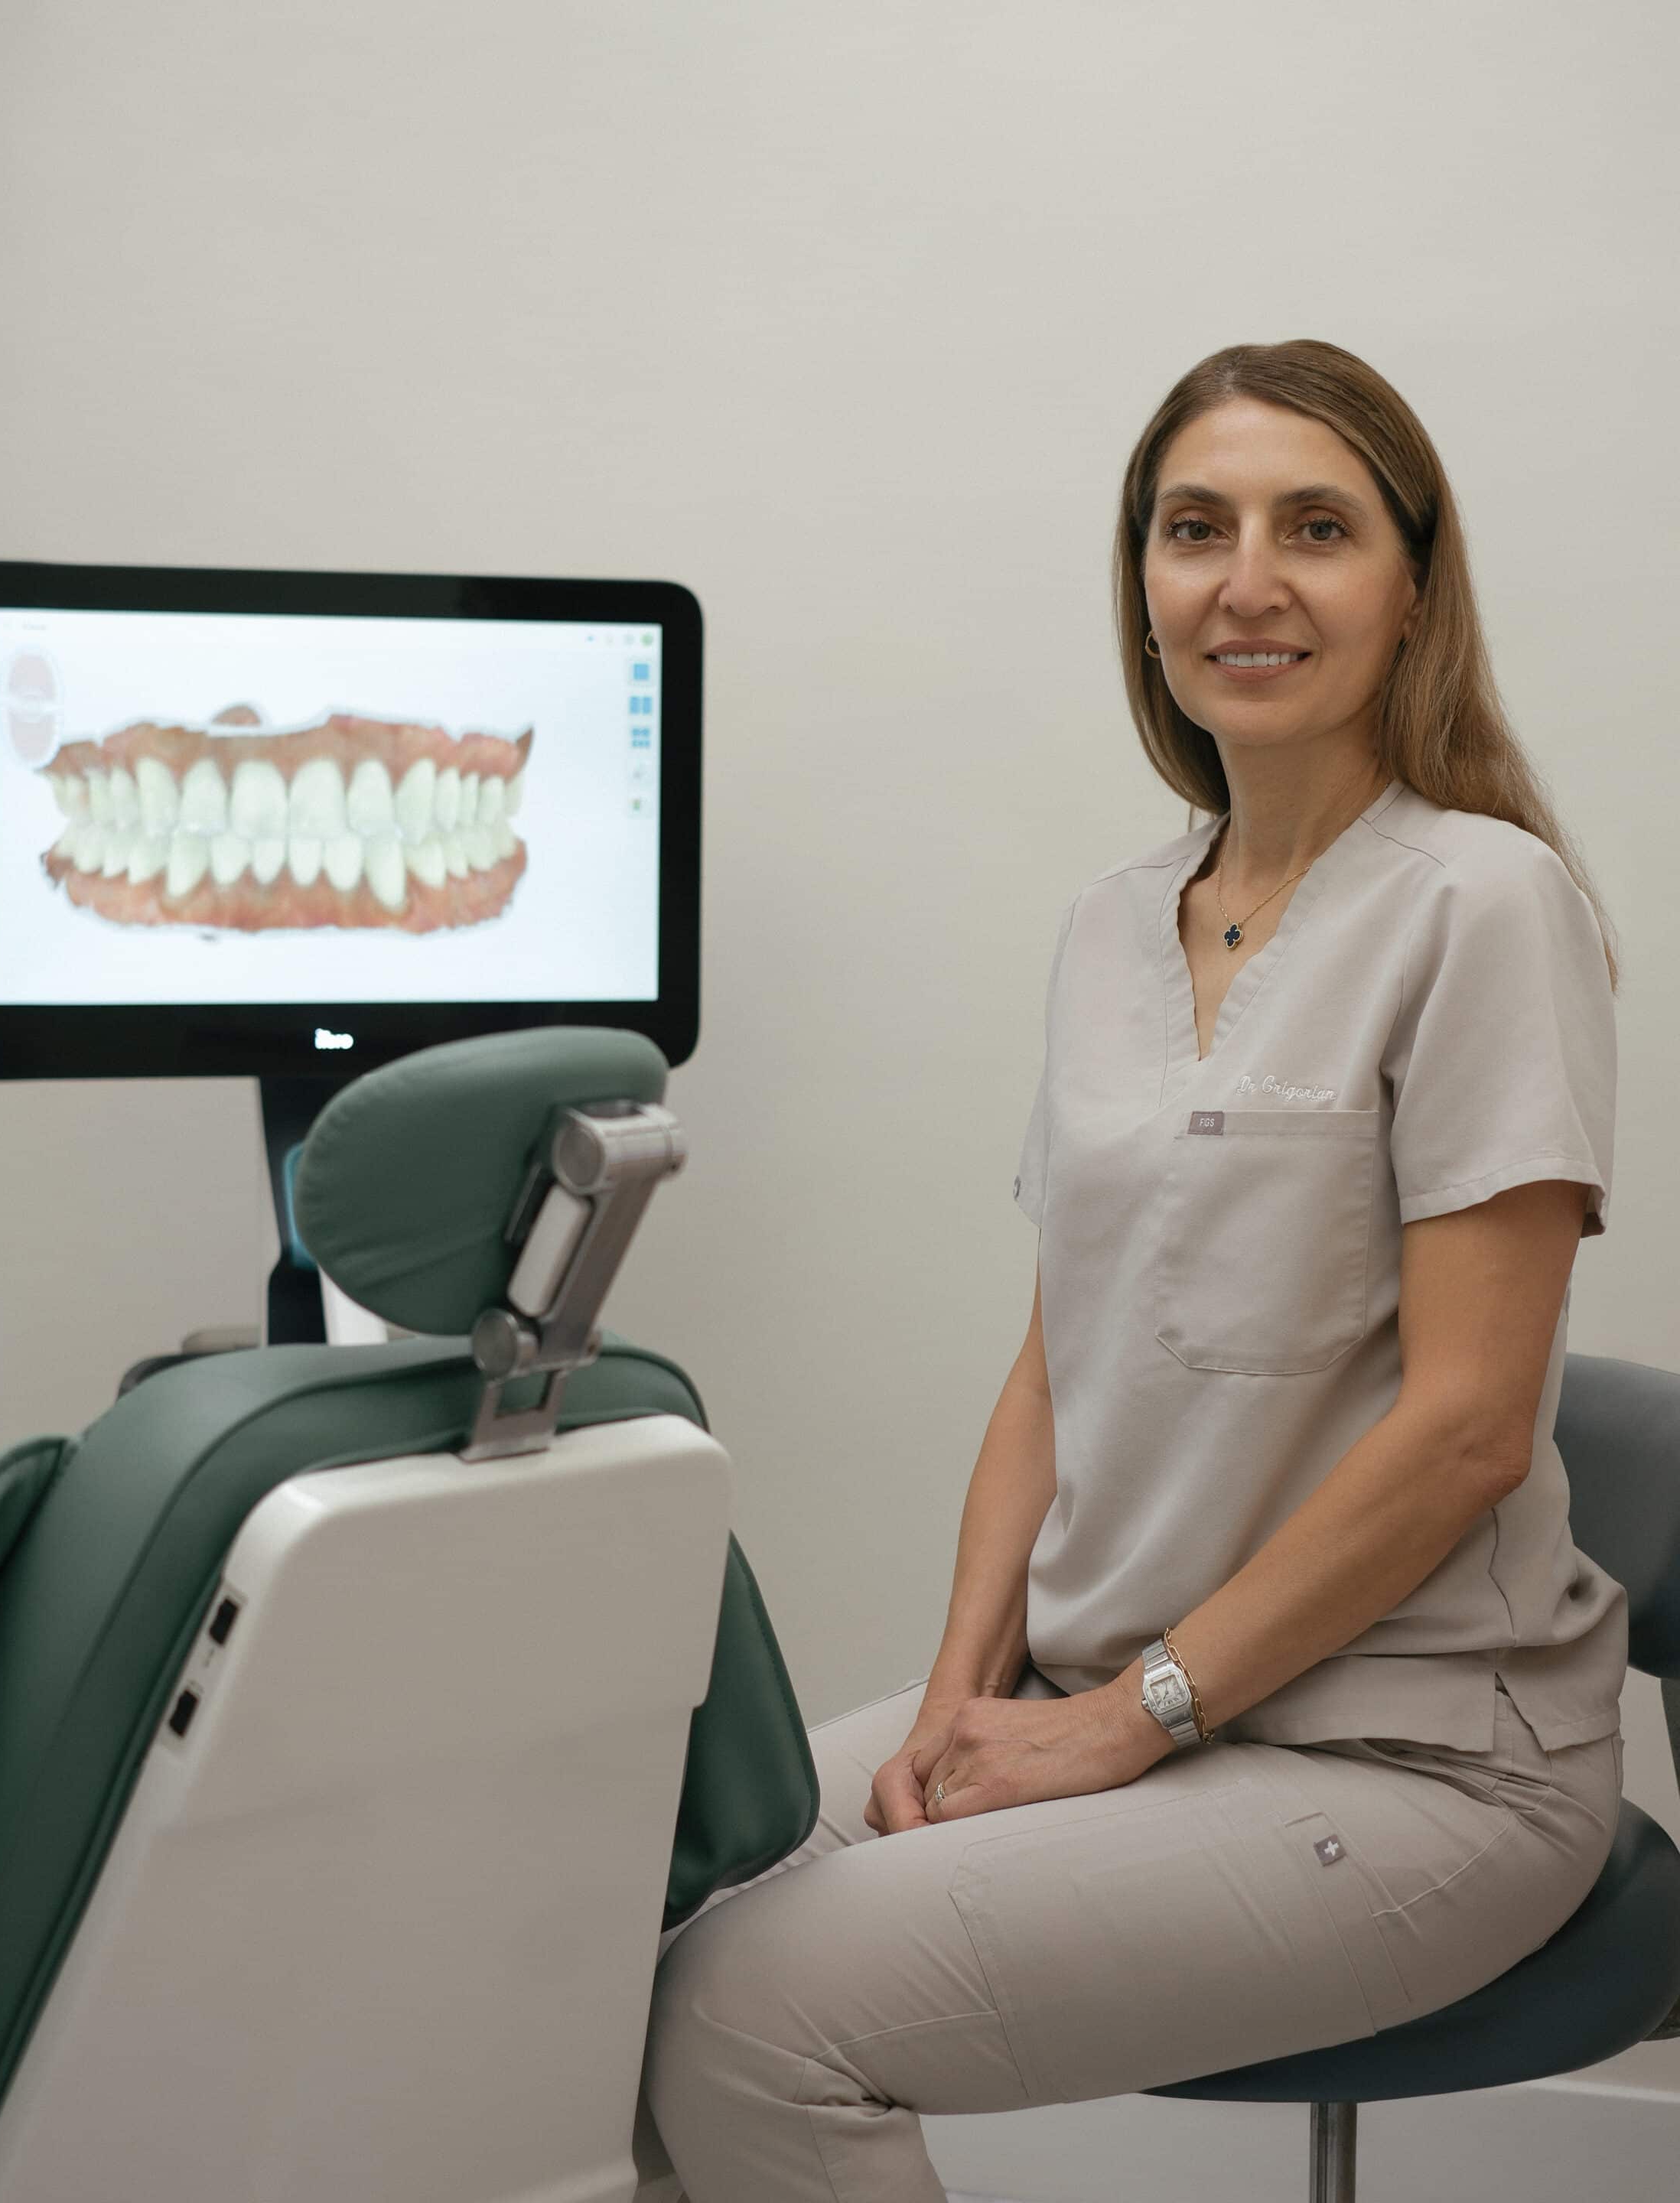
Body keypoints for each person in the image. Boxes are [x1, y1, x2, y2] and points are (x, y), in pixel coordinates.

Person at [632, 339, 1626, 2203]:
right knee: (628, 1908)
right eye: (1196, 529)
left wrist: (1123, 1721)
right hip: (1126, 1695)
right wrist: (957, 1693)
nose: (1247, 580)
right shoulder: (1111, 924)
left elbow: (1474, 1432)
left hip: (1414, 1758)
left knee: (753, 2015)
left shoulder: (1485, 906)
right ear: (1144, 589)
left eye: (1315, 528)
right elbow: (1054, 1367)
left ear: (1413, 589)